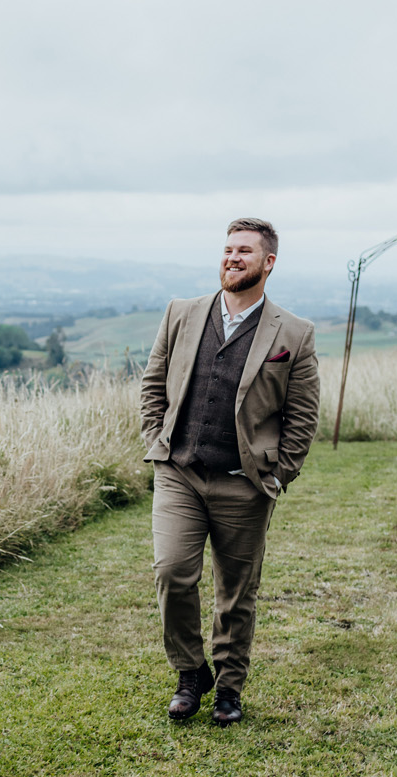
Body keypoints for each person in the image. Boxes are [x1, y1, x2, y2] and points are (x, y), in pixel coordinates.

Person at [139, 218, 320, 727]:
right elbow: (154, 382)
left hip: (245, 482)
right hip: (179, 472)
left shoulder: (294, 334)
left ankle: (229, 688)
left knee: (237, 591)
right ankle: (190, 671)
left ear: (269, 262)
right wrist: (157, 440)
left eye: (244, 251)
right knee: (172, 573)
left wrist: (277, 474)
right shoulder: (181, 313)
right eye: (227, 250)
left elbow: (302, 417)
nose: (232, 258)